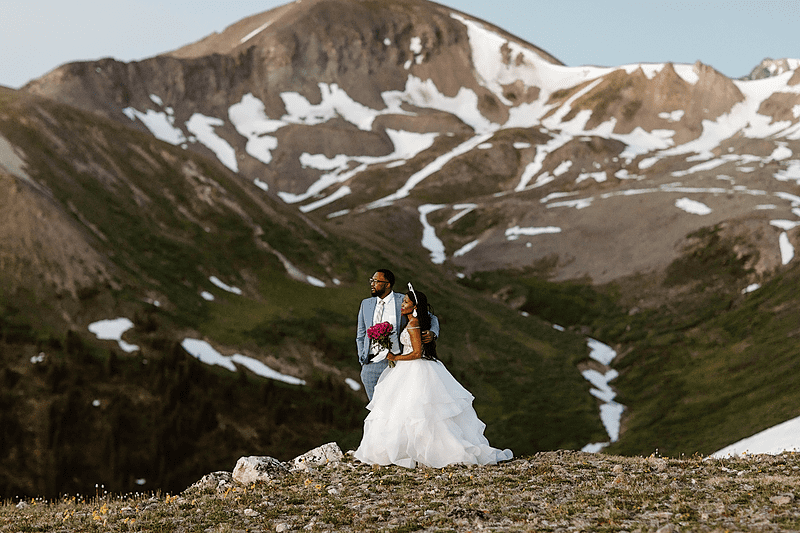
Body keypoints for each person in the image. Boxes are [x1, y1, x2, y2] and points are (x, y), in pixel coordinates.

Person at [354, 286, 513, 468]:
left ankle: (420, 450)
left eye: (406, 302)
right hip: (405, 367)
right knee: (405, 409)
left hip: (413, 367)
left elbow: (417, 352)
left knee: (416, 410)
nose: (402, 304)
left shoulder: (413, 323)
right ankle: (409, 449)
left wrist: (395, 357)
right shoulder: (401, 317)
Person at [356, 269, 439, 401]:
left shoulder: (402, 301)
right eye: (371, 280)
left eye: (376, 281)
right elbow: (361, 334)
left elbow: (430, 316)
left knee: (396, 406)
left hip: (396, 364)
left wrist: (433, 332)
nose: (372, 283)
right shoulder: (366, 304)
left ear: (387, 284)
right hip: (371, 365)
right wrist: (363, 357)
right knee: (376, 410)